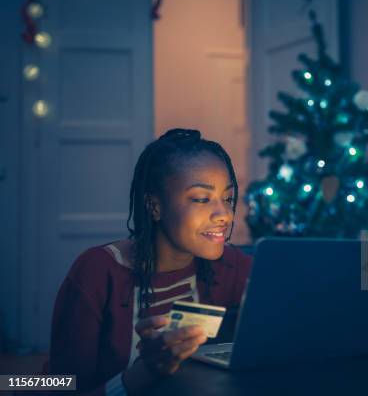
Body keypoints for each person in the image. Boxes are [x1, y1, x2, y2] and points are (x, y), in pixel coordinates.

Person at [45, 128, 252, 395]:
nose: (224, 214)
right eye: (201, 199)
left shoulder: (231, 266)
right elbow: (62, 387)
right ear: (155, 206)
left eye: (228, 198)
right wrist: (145, 372)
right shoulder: (96, 272)